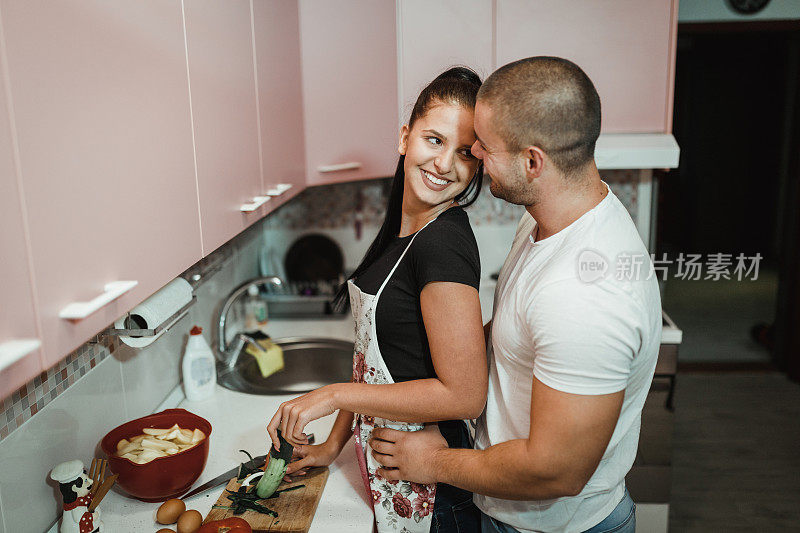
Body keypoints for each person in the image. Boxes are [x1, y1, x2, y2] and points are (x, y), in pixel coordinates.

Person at [368, 57, 662, 533]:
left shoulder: (585, 297)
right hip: (509, 515)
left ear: (532, 161)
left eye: (483, 144)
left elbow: (557, 472)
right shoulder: (545, 221)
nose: (475, 154)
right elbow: (513, 338)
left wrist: (434, 462)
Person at [266, 67, 488, 533]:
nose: (446, 164)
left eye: (465, 153)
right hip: (389, 476)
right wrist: (332, 444)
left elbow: (466, 395)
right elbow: (372, 359)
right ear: (405, 137)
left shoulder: (442, 243)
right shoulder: (403, 232)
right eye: (434, 140)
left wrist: (331, 395)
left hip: (434, 496)